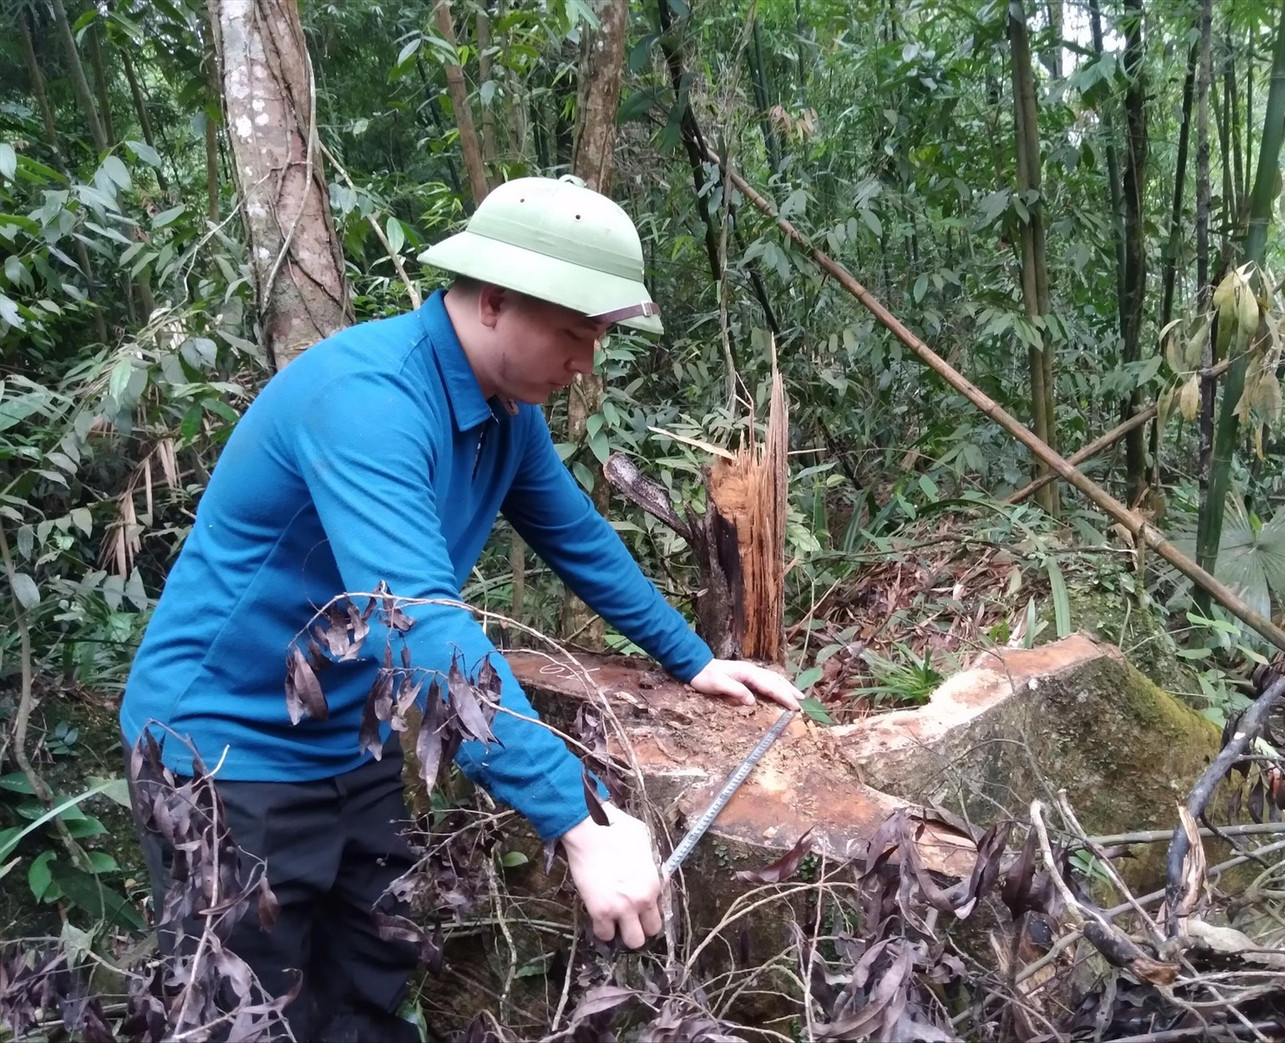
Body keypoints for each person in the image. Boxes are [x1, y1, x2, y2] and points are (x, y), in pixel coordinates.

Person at [119, 174, 802, 1041]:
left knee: (369, 984)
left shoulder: (504, 415)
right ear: (489, 302)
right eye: (573, 331)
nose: (587, 359)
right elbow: (421, 626)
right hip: (221, 749)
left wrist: (692, 657)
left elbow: (577, 537)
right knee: (245, 1014)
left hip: (346, 734)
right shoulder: (368, 403)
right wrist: (579, 819)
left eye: (597, 335)